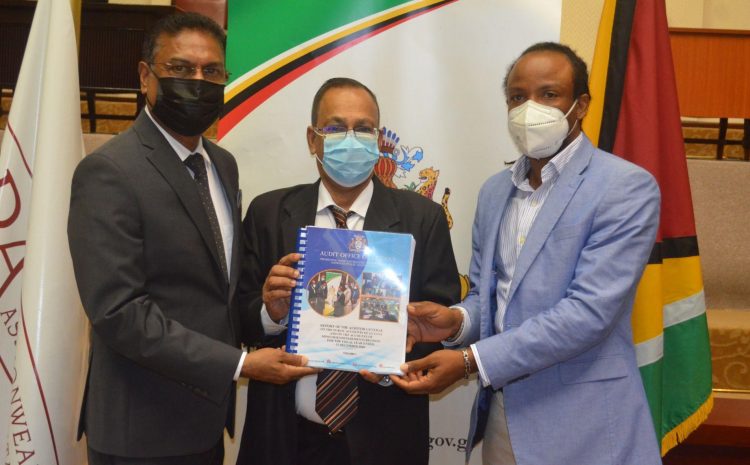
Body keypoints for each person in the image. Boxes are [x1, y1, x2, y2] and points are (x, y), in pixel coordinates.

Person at [392, 42, 663, 465]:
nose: (529, 108)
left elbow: (588, 313)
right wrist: (457, 322)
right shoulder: (494, 191)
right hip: (503, 418)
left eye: (549, 94)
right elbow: (489, 294)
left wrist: (470, 361)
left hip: (585, 422)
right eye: (518, 97)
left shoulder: (625, 187)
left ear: (581, 105)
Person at [67, 13, 317, 465]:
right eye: (181, 69)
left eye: (212, 72)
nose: (198, 82)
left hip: (204, 425)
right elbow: (118, 312)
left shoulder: (222, 164)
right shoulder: (109, 172)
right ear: (146, 77)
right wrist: (240, 365)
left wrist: (266, 312)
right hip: (139, 431)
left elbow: (214, 293)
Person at [236, 77, 461, 465]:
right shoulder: (268, 213)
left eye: (364, 129)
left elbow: (439, 328)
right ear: (313, 139)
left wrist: (394, 361)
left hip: (384, 438)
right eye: (336, 128)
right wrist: (271, 312)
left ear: (378, 140)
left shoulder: (422, 219)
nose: (351, 139)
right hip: (283, 439)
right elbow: (237, 319)